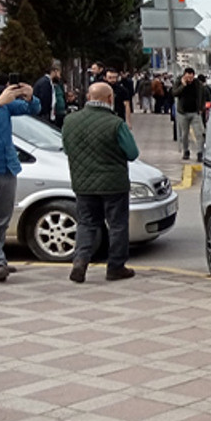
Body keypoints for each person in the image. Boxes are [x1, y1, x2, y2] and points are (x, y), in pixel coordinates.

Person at [61, 82, 139, 283]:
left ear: (88, 97)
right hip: (114, 184)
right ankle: (115, 267)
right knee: (117, 225)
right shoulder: (116, 123)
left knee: (86, 223)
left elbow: (68, 150)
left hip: (83, 183)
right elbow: (132, 153)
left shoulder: (70, 121)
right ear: (110, 99)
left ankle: (80, 262)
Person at [0, 78, 39, 282]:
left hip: (7, 168)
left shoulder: (2, 103)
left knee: (4, 218)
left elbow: (30, 109)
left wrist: (30, 96)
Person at [172, 67, 208, 161]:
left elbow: (203, 96)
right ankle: (186, 151)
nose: (190, 80)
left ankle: (200, 153)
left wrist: (201, 108)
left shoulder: (198, 84)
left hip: (195, 112)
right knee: (184, 134)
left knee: (199, 133)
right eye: (188, 78)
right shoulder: (179, 82)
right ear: (184, 76)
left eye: (191, 78)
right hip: (183, 113)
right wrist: (183, 85)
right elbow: (174, 93)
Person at [33, 60, 63, 125]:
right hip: (44, 118)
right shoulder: (45, 83)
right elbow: (45, 102)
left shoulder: (47, 82)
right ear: (55, 71)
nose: (60, 76)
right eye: (60, 73)